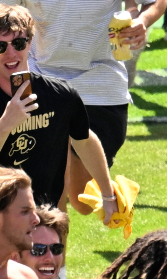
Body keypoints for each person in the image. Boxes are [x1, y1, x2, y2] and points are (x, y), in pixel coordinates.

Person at [0, 5, 117, 231]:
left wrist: (108, 195)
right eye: (0, 46)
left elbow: (85, 140)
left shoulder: (60, 94)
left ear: (30, 43)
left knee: (50, 264)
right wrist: (6, 122)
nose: (11, 54)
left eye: (19, 44)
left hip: (46, 220)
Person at [23, 0, 146, 212]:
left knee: (84, 201)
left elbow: (156, 2)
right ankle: (50, 245)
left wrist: (141, 20)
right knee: (52, 193)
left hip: (101, 86)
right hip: (43, 77)